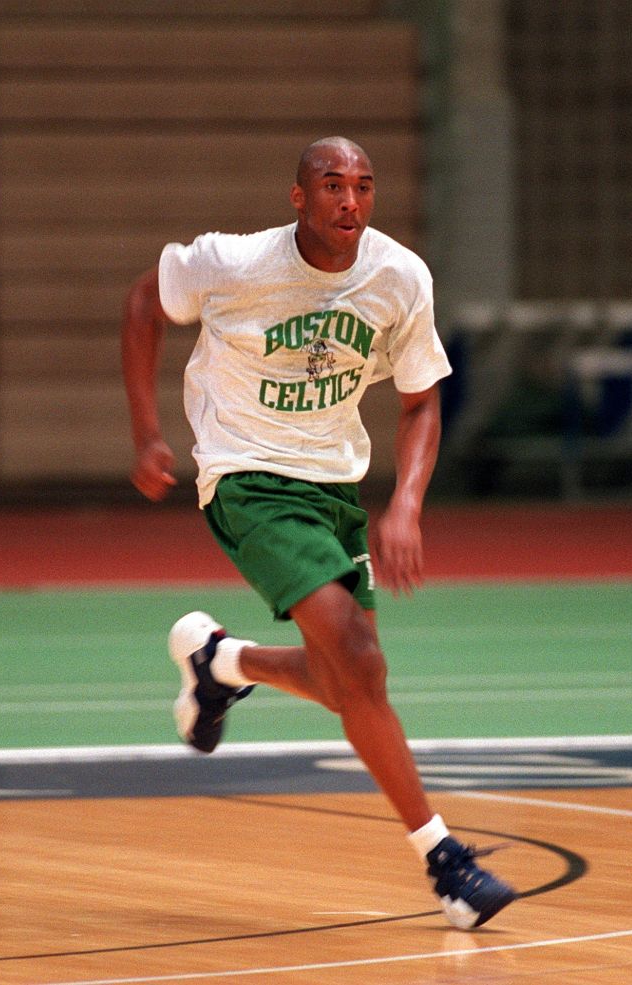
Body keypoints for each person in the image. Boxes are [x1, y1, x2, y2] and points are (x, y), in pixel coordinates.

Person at [121, 136, 516, 929]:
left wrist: (405, 504)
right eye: (333, 185)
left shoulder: (399, 278)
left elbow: (421, 401)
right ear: (298, 197)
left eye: (364, 187)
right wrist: (146, 433)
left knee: (346, 684)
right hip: (247, 478)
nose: (350, 201)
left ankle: (222, 661)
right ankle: (445, 861)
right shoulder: (233, 263)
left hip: (335, 485)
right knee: (363, 662)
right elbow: (142, 304)